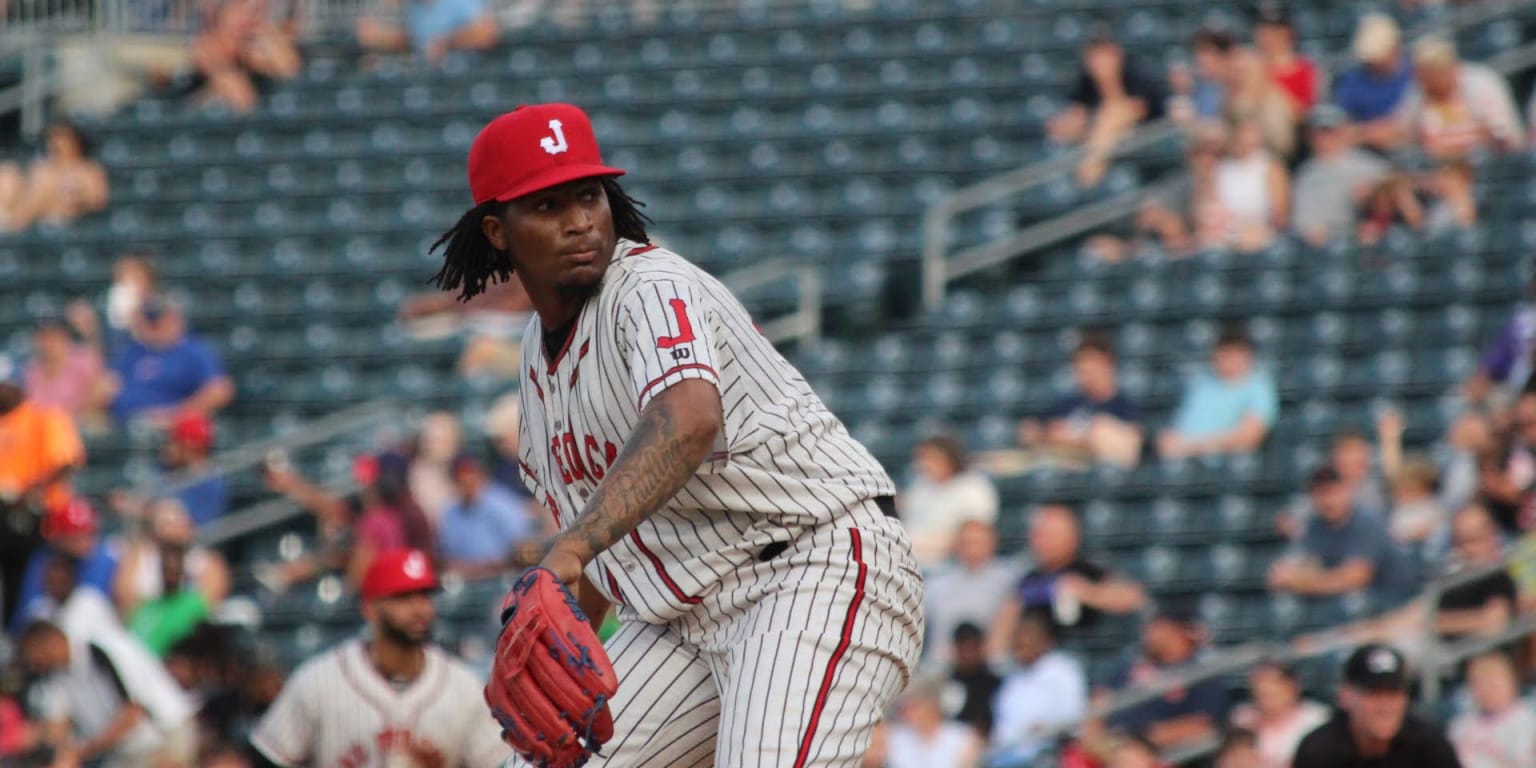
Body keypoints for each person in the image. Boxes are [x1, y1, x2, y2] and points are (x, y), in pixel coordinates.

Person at [429, 103, 923, 767]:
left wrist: (568, 551)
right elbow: (600, 541)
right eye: (547, 206)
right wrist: (566, 622)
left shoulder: (649, 286)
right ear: (497, 229)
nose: (579, 219)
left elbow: (688, 419)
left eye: (587, 195)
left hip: (811, 563)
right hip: (678, 617)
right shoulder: (533, 366)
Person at [249, 550, 508, 767]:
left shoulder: (463, 685)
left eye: (424, 595)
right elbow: (270, 757)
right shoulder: (318, 680)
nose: (419, 608)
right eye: (403, 597)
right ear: (369, 608)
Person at [19, 618, 199, 767]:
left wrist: (82, 751)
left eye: (35, 656)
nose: (35, 664)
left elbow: (133, 713)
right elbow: (57, 726)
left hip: (165, 735)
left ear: (51, 642)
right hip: (123, 751)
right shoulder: (54, 677)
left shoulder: (105, 649)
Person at [990, 504, 1146, 655]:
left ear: (1072, 536)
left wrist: (1088, 593)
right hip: (1034, 660)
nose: (1042, 541)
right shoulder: (1027, 578)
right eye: (1039, 534)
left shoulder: (1090, 570)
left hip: (1082, 653)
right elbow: (1002, 630)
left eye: (1051, 534)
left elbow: (1133, 598)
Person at [0, 358, 86, 626]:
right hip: (6, 519)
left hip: (44, 520)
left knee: (36, 588)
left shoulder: (43, 415)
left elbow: (65, 461)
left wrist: (25, 491)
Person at [1267, 466, 1418, 609]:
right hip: (1360, 609)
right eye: (1320, 494)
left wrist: (1300, 582)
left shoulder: (1366, 520)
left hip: (1397, 601)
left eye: (1332, 492)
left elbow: (1356, 577)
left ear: (1346, 491)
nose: (1327, 501)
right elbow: (1308, 565)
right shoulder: (1316, 525)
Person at [1292, 643, 1461, 767]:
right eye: (1374, 695)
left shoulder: (1428, 744)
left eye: (1393, 694)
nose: (1385, 707)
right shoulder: (1320, 749)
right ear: (1345, 696)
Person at [1047, 30, 1167, 187]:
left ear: (1116, 54)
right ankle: (1087, 175)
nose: (1100, 62)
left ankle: (1089, 175)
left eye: (1104, 55)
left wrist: (1108, 82)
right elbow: (1074, 117)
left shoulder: (1134, 74)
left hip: (1149, 136)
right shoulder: (1085, 81)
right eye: (1095, 56)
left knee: (1110, 116)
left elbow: (1135, 110)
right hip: (1104, 140)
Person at [1101, 607, 1227, 751]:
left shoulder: (1201, 674)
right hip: (1113, 749)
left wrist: (1142, 741)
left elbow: (1202, 726)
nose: (1150, 633)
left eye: (1159, 626)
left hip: (1162, 754)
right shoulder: (1129, 667)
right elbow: (1099, 702)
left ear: (1179, 632)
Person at [1017, 335, 1144, 469]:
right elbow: (1032, 429)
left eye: (1092, 366)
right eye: (1081, 369)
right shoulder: (1068, 404)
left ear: (1107, 364)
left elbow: (1128, 450)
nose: (1086, 375)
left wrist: (1073, 440)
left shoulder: (1123, 407)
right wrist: (1044, 433)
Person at [1158, 326, 1279, 459]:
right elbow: (1174, 433)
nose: (1226, 360)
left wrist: (1190, 447)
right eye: (1222, 353)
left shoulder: (1258, 387)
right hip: (1185, 463)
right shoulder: (1201, 385)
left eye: (1232, 354)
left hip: (1224, 468)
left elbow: (1248, 437)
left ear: (1247, 356)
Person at [1395, 35, 1523, 159]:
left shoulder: (1482, 83)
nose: (1425, 83)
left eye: (1430, 75)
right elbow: (1403, 134)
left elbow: (1504, 138)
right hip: (1438, 168)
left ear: (1447, 69)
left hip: (1488, 164)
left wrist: (1458, 150)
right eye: (1422, 76)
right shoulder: (1419, 91)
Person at [109, 297, 234, 424]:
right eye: (148, 320)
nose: (153, 326)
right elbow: (109, 384)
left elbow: (220, 390)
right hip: (125, 423)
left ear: (175, 319)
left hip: (169, 426)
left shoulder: (192, 351)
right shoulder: (134, 351)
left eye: (157, 320)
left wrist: (177, 414)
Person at [989, 611, 1088, 765]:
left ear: (1045, 640)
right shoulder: (1012, 679)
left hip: (1046, 754)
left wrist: (1046, 728)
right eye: (1018, 636)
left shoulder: (1063, 671)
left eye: (1027, 635)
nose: (1020, 640)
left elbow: (1073, 718)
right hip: (1007, 757)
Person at [112, 500, 230, 626]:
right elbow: (125, 597)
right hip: (147, 627)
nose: (173, 529)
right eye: (167, 524)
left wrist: (174, 614)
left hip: (190, 629)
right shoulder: (138, 557)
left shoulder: (205, 561)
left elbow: (211, 597)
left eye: (178, 523)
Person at [10, 499, 118, 634]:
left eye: (89, 535)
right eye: (77, 537)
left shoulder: (105, 558)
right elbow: (25, 614)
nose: (86, 543)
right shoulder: (43, 560)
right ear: (58, 538)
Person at [1291, 105, 1389, 246]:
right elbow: (1299, 223)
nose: (1324, 138)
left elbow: (1397, 182)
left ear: (1342, 131)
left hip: (1352, 242)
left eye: (1330, 131)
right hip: (1311, 247)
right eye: (1319, 132)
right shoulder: (1305, 172)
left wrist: (1375, 190)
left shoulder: (1365, 165)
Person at [924, 520, 1019, 663]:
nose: (973, 549)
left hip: (992, 667)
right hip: (941, 667)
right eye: (967, 543)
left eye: (979, 543)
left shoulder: (1009, 581)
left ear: (993, 543)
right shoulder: (936, 584)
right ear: (956, 545)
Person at [900, 434, 1000, 569]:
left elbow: (975, 538)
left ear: (950, 458)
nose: (925, 464)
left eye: (932, 458)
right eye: (923, 458)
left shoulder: (973, 487)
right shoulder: (921, 485)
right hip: (907, 559)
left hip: (950, 564)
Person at [436, 453, 536, 577]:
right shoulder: (450, 511)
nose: (467, 482)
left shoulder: (503, 504)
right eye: (461, 479)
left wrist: (484, 566)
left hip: (502, 578)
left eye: (471, 476)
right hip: (465, 580)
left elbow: (524, 550)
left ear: (482, 476)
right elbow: (445, 555)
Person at [191, 0, 301, 113]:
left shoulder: (259, 42)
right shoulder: (207, 47)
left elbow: (291, 72)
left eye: (257, 13)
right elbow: (241, 97)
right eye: (244, 12)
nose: (252, 21)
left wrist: (270, 51)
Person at [0, 121, 109, 232]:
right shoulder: (41, 168)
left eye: (62, 138)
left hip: (68, 223)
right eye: (52, 138)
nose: (56, 143)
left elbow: (97, 201)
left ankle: (13, 227)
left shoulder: (88, 169)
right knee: (8, 173)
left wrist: (76, 196)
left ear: (75, 141)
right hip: (33, 219)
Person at [1228, 660, 1331, 768]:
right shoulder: (1242, 718)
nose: (1265, 702)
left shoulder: (1318, 719)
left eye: (1272, 694)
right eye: (1260, 694)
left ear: (1292, 687)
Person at [1209, 117, 1288, 252]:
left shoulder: (1270, 168)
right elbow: (1212, 208)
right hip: (1226, 237)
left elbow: (1280, 214)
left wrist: (1256, 231)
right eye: (1241, 134)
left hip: (1262, 236)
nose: (1244, 140)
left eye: (1251, 134)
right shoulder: (1222, 169)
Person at [1448, 651, 1536, 768]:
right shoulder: (1460, 724)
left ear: (1512, 682)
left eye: (1493, 682)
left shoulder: (1527, 722)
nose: (1487, 690)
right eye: (1479, 684)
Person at [1335, 14, 1414, 142]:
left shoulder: (1415, 75)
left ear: (1394, 50)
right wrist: (1369, 132)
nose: (1373, 63)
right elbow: (1343, 125)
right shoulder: (1353, 80)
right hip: (1366, 152)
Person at [355, 0, 499, 64]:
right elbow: (367, 33)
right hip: (427, 74)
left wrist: (446, 42)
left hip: (464, 75)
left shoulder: (458, 2)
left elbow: (487, 33)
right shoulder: (414, 8)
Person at [884, 677, 981, 768]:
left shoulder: (963, 736)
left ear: (931, 706)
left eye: (914, 706)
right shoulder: (892, 736)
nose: (905, 711)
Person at [24, 317, 109, 421]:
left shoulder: (84, 359)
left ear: (65, 336)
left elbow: (102, 393)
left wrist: (71, 414)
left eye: (54, 336)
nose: (49, 342)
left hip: (79, 425)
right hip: (43, 428)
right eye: (44, 337)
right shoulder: (32, 369)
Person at [1224, 46, 1296, 159]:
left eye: (1241, 72)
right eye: (1232, 72)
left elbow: (1282, 144)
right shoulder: (1231, 100)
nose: (1235, 78)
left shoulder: (1275, 102)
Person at [1251, 4, 1317, 114]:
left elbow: (1304, 112)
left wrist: (1270, 88)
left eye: (1274, 31)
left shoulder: (1305, 67)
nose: (1267, 37)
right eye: (1264, 31)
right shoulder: (1253, 66)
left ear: (1287, 33)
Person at [945, 623, 1001, 736]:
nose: (967, 654)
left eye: (972, 647)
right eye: (963, 647)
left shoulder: (996, 685)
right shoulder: (945, 683)